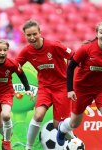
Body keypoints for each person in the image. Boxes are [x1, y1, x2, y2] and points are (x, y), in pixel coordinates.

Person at [56, 21, 102, 150]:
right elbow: (70, 68)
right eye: (101, 32)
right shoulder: (86, 49)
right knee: (74, 123)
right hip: (82, 89)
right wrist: (70, 89)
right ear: (97, 34)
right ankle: (61, 128)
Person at [16, 19, 75, 150]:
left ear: (40, 33)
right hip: (45, 87)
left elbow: (74, 57)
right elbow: (15, 66)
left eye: (34, 34)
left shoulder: (54, 46)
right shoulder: (26, 51)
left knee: (58, 125)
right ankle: (28, 147)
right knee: (38, 115)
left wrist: (73, 80)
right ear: (25, 36)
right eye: (28, 35)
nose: (32, 38)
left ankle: (71, 140)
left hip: (62, 87)